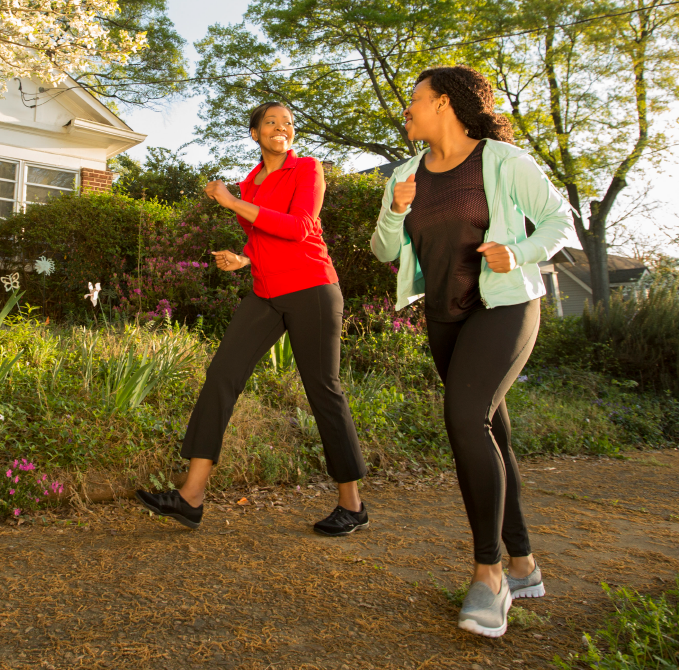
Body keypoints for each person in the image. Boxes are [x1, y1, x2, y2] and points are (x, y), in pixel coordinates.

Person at [371, 65, 572, 638]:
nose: (406, 109)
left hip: (504, 306)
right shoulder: (405, 174)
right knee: (490, 432)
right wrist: (395, 209)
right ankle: (526, 564)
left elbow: (560, 221)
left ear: (444, 104)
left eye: (415, 99)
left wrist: (521, 250)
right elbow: (383, 246)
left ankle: (490, 576)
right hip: (444, 315)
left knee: (463, 418)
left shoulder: (504, 162)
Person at [135, 102, 370, 538]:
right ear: (255, 134)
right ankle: (191, 495)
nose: (282, 128)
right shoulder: (251, 182)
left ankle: (351, 504)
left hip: (311, 289)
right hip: (265, 291)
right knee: (222, 375)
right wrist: (242, 258)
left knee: (323, 391)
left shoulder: (307, 169)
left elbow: (300, 228)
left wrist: (231, 201)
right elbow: (264, 235)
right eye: (271, 122)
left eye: (288, 123)